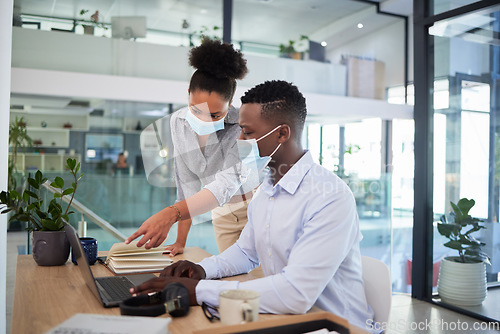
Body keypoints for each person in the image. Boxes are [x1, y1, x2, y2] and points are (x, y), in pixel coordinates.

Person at [129, 80, 374, 330]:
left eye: (247, 131)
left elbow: (296, 294)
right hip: (289, 320)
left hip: (336, 326)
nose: (239, 139)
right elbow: (246, 253)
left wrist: (199, 290)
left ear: (282, 133)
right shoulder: (267, 187)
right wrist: (200, 270)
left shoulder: (329, 197)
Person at [126, 39, 252, 254]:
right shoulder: (178, 122)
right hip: (221, 215)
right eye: (196, 110)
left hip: (256, 212)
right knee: (233, 278)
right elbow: (186, 183)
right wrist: (180, 241)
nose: (205, 120)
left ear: (229, 105)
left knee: (259, 281)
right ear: (188, 94)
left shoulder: (244, 126)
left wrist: (170, 214)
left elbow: (226, 184)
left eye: (215, 115)